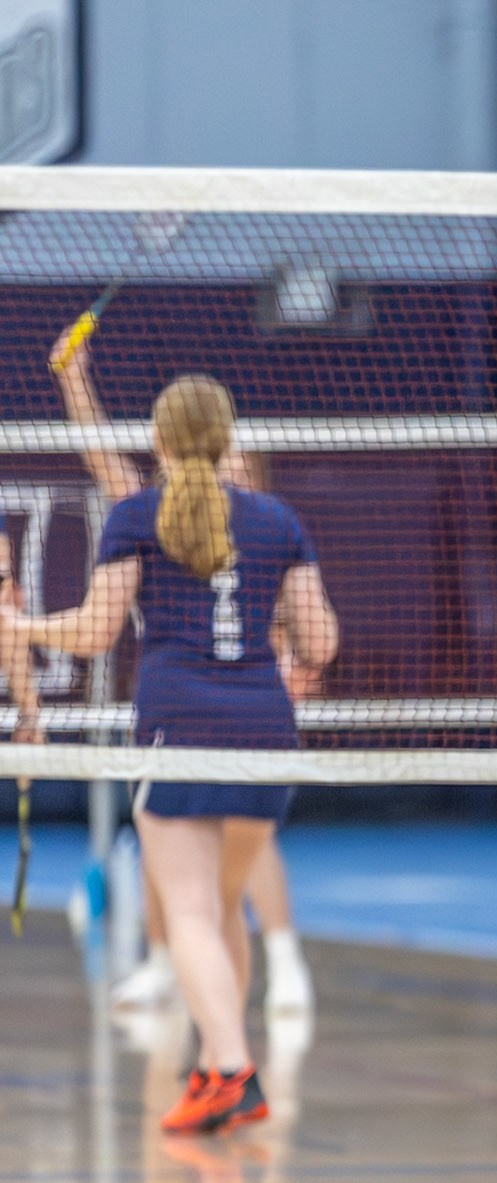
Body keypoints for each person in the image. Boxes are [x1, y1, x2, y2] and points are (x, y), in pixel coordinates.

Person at [1, 374, 338, 1133]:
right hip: (266, 733)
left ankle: (232, 1069)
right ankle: (217, 1064)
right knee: (220, 910)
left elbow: (96, 633)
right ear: (227, 439)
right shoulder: (278, 520)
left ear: (158, 439)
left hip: (177, 727)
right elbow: (320, 644)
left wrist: (20, 629)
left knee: (188, 910)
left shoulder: (137, 516)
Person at [52, 324, 314, 1016]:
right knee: (178, 861)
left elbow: (305, 635)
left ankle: (279, 965)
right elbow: (104, 459)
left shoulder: (265, 529)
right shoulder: (155, 516)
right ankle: (174, 972)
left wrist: (293, 661)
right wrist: (75, 382)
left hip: (223, 710)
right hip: (210, 717)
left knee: (224, 862)